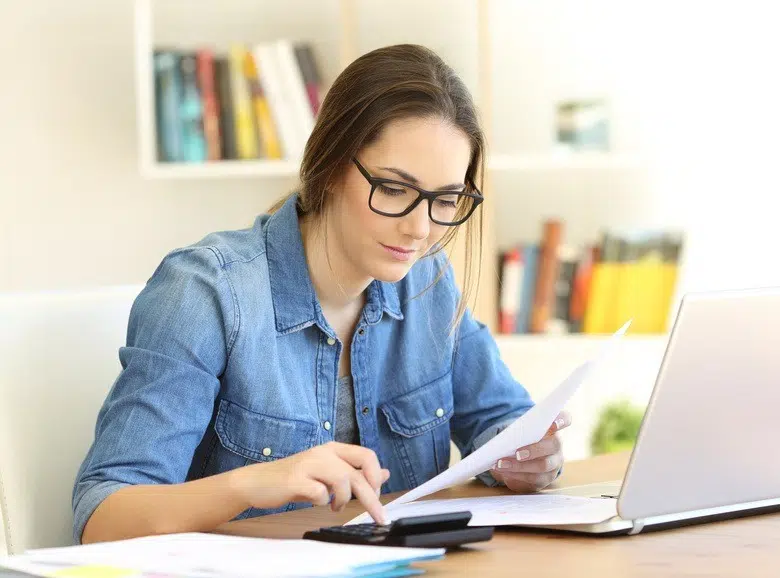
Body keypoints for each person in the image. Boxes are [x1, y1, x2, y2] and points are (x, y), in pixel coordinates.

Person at [73, 44, 570, 545]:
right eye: (395, 189)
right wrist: (252, 484)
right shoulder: (206, 293)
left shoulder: (428, 282)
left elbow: (499, 421)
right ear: (330, 165)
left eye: (445, 200)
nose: (420, 229)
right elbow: (103, 518)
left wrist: (528, 458)